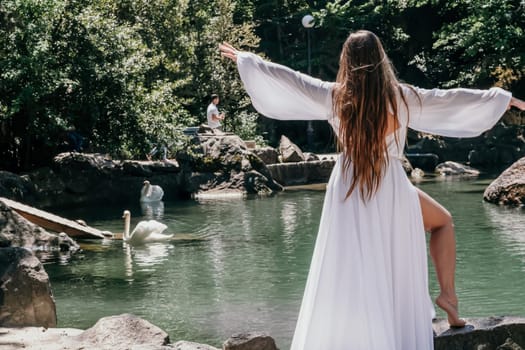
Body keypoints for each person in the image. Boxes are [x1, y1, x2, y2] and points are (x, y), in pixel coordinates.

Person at [220, 30, 525, 350]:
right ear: (381, 59)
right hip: (389, 182)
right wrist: (503, 99)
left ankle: (358, 327)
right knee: (442, 222)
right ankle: (448, 297)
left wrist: (247, 60)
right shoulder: (402, 97)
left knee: (351, 256)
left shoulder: (334, 95)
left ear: (346, 62)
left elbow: (291, 80)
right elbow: (450, 99)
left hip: (348, 184)